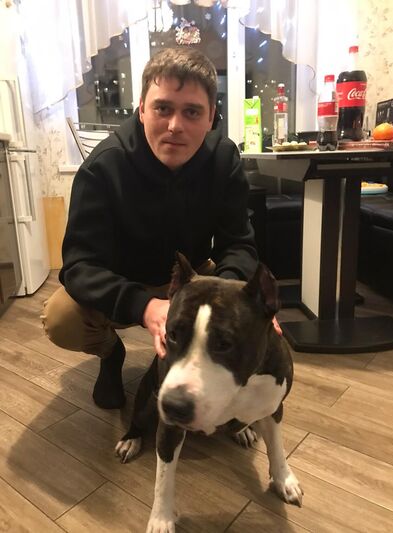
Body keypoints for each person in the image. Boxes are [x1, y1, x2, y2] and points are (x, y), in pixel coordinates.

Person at [42, 47, 265, 410]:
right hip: (123, 278)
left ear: (211, 117)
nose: (175, 125)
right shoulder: (103, 168)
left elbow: (239, 244)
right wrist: (144, 305)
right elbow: (79, 267)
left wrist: (231, 299)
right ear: (142, 109)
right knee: (61, 319)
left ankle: (196, 362)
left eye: (192, 112)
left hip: (192, 274)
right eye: (163, 108)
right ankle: (110, 354)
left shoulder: (224, 159)